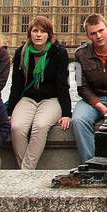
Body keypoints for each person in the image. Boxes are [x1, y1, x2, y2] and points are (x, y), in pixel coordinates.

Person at [6, 16, 71, 170]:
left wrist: (67, 113)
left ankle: (25, 171)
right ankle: (27, 171)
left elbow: (63, 85)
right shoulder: (21, 53)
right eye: (35, 31)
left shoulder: (58, 53)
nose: (39, 35)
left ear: (49, 34)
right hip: (28, 98)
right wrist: (10, 111)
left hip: (51, 99)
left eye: (43, 31)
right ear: (30, 33)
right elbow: (16, 85)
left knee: (40, 126)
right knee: (17, 128)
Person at [70, 13, 107, 163]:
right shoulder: (79, 54)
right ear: (87, 35)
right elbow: (81, 87)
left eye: (101, 31)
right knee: (78, 121)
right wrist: (100, 106)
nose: (98, 36)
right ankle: (91, 163)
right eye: (93, 33)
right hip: (93, 99)